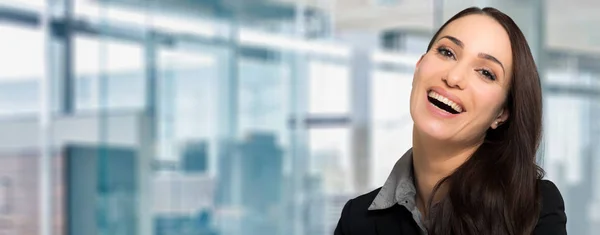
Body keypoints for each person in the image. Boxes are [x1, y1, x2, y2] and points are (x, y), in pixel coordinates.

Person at [334, 6, 567, 235]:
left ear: (501, 113)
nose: (454, 77)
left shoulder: (534, 207)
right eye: (447, 52)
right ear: (419, 66)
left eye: (486, 73)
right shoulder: (357, 220)